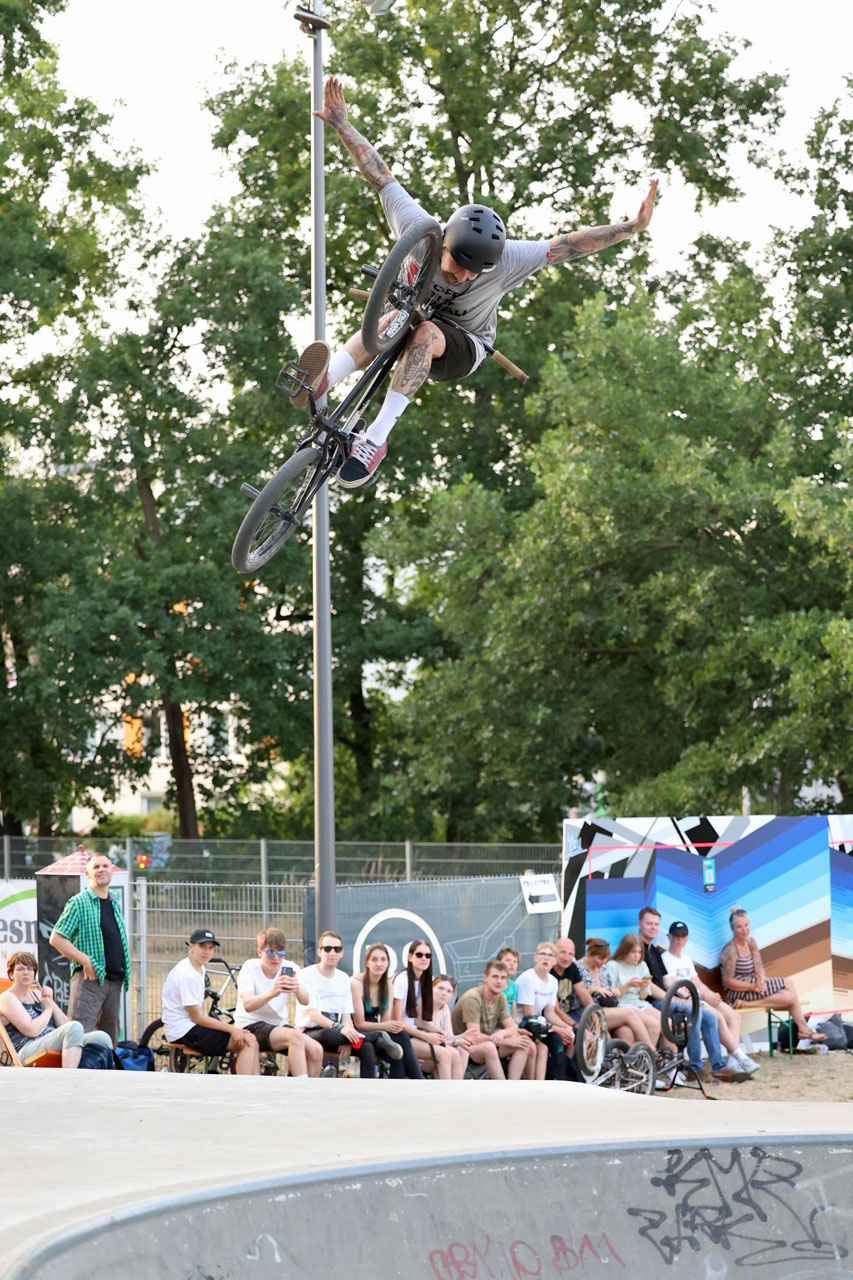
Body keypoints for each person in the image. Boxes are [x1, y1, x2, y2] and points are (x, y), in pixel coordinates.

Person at [294, 75, 658, 490]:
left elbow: (567, 245)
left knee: (426, 332)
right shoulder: (420, 229)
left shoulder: (509, 261)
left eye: (474, 272)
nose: (464, 276)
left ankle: (375, 439)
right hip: (410, 316)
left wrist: (631, 227)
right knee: (392, 316)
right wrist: (342, 123)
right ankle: (324, 380)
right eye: (456, 265)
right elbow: (381, 176)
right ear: (443, 242)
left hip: (464, 344)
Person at [48, 850, 130, 1046]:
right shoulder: (79, 902)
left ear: (112, 871)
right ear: (88, 874)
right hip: (90, 981)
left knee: (109, 1040)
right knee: (78, 1035)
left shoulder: (114, 904)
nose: (101, 869)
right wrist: (85, 960)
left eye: (105, 866)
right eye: (96, 867)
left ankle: (106, 1074)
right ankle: (75, 1075)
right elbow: (57, 938)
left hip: (114, 980)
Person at [297, 930, 403, 1077]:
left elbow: (346, 1016)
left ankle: (367, 1091)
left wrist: (347, 1038)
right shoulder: (306, 975)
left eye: (337, 949)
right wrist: (340, 1029)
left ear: (341, 953)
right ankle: (377, 1036)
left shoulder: (343, 978)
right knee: (329, 1033)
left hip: (339, 1033)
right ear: (319, 952)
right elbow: (313, 1015)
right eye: (327, 949)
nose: (332, 953)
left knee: (366, 1047)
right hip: (311, 1031)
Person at [661, 922, 752, 1083]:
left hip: (695, 999)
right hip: (680, 1002)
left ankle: (719, 1066)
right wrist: (701, 996)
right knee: (701, 1015)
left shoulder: (687, 959)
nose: (679, 940)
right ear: (669, 937)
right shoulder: (664, 959)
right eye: (676, 936)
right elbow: (674, 985)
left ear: (687, 939)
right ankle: (697, 1067)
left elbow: (697, 982)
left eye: (682, 936)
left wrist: (709, 994)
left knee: (713, 1017)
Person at [161, 928, 260, 1075]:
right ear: (191, 947)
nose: (206, 952)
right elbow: (197, 1018)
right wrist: (232, 1029)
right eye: (202, 946)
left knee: (251, 1039)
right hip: (183, 1031)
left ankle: (256, 1087)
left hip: (190, 1026)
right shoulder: (186, 975)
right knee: (247, 1042)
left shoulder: (198, 967)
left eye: (211, 948)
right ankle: (245, 1090)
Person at [720, 907, 825, 1044]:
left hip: (753, 984)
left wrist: (761, 980)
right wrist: (752, 986)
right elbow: (728, 982)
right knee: (789, 988)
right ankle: (803, 1029)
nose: (744, 930)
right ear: (733, 929)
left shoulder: (751, 942)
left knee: (789, 992)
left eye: (746, 925)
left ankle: (802, 1029)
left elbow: (759, 966)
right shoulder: (731, 950)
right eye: (739, 927)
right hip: (739, 990)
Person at [235, 927, 323, 1078]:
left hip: (277, 1025)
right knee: (295, 1037)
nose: (276, 958)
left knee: (316, 1050)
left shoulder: (290, 968)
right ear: (260, 952)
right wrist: (272, 992)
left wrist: (297, 988)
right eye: (270, 952)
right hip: (251, 1024)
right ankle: (302, 1087)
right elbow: (248, 1005)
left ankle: (308, 1092)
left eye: (280, 953)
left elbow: (306, 1000)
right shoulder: (250, 967)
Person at [0, 951, 113, 1068]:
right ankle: (67, 1078)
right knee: (73, 1028)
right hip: (27, 1048)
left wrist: (51, 1002)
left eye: (30, 969)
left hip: (49, 1041)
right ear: (11, 974)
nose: (26, 972)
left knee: (102, 1037)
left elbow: (67, 1025)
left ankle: (102, 1081)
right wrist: (48, 1009)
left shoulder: (38, 995)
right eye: (20, 969)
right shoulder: (7, 998)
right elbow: (31, 1030)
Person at [450, 960, 535, 1080]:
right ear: (485, 978)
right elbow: (474, 1037)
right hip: (464, 1046)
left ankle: (514, 1086)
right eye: (495, 977)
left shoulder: (500, 997)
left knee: (525, 1043)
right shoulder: (473, 998)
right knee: (489, 1047)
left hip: (488, 1041)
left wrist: (502, 1033)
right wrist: (505, 1041)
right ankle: (502, 1089)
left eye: (502, 978)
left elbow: (511, 1027)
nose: (499, 981)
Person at [351, 942, 424, 1078]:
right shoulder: (356, 984)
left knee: (400, 1040)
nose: (379, 964)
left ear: (388, 963)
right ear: (367, 963)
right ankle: (418, 1081)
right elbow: (360, 1024)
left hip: (378, 1031)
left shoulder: (388, 986)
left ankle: (400, 1086)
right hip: (357, 1032)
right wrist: (386, 1026)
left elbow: (385, 1023)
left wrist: (392, 1026)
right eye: (374, 959)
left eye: (383, 959)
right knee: (392, 1042)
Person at [391, 938, 457, 1079]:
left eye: (428, 955)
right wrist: (425, 1036)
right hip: (397, 1035)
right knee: (445, 1054)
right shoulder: (401, 980)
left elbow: (417, 1021)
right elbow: (397, 1022)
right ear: (410, 957)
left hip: (413, 1033)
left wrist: (437, 1031)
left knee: (454, 1053)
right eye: (419, 955)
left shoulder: (426, 980)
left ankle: (455, 1095)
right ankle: (448, 1097)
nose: (424, 958)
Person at [516, 941, 579, 1081]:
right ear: (535, 957)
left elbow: (550, 1012)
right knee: (556, 1038)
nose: (546, 958)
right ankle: (554, 1080)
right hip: (525, 1025)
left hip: (539, 1024)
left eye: (550, 956)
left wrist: (566, 1027)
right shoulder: (527, 978)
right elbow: (529, 1016)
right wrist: (556, 1029)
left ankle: (561, 1078)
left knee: (569, 1035)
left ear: (555, 961)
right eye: (542, 954)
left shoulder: (552, 981)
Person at [575, 938, 653, 1048]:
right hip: (587, 1012)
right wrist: (593, 989)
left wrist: (614, 990)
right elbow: (575, 997)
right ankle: (652, 1052)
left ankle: (628, 1063)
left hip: (606, 1009)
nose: (603, 962)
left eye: (606, 959)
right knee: (629, 1013)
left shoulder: (603, 968)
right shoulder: (577, 968)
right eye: (600, 958)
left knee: (626, 1032)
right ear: (589, 953)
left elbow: (609, 989)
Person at [606, 933, 665, 1053]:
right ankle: (649, 1057)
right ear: (624, 950)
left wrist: (643, 987)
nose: (636, 956)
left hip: (640, 1003)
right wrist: (629, 984)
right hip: (622, 1004)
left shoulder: (642, 965)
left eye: (639, 952)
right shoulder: (613, 965)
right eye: (633, 952)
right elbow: (611, 997)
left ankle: (668, 1065)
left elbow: (643, 997)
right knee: (653, 1025)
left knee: (667, 1023)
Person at [428, 974, 469, 1079]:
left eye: (449, 991)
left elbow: (449, 1036)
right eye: (440, 988)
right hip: (424, 1054)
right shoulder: (424, 1007)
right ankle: (447, 1089)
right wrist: (455, 1042)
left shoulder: (445, 1008)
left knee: (463, 1050)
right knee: (451, 1052)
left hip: (441, 1049)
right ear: (431, 988)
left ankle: (457, 1086)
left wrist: (465, 1036)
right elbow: (431, 1041)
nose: (444, 993)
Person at [550, 937, 593, 1027]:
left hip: (571, 1014)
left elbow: (585, 998)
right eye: (562, 952)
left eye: (570, 954)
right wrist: (576, 1027)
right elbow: (556, 1010)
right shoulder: (548, 970)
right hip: (553, 1017)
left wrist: (598, 1024)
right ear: (554, 952)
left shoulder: (572, 967)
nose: (566, 958)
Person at [496, 947, 521, 1021]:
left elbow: (515, 1013)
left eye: (515, 962)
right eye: (508, 960)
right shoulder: (495, 985)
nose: (512, 964)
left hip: (511, 1023)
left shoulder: (513, 985)